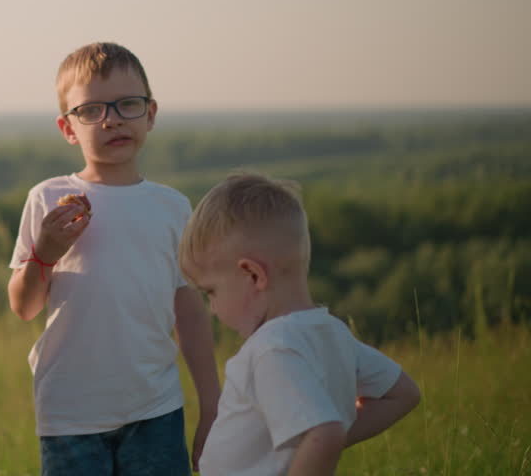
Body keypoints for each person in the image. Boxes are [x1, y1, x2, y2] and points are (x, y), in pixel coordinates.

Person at [7, 41, 221, 475]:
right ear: (68, 128)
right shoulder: (48, 199)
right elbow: (24, 307)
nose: (112, 119)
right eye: (91, 110)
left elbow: (189, 311)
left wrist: (212, 405)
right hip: (71, 413)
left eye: (128, 104)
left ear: (151, 113)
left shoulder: (173, 207)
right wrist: (44, 255)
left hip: (156, 408)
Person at [179, 173, 421, 475]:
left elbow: (326, 432)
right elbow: (403, 394)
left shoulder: (272, 349)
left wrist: (320, 441)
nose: (212, 309)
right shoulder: (331, 332)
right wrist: (308, 445)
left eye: (210, 292)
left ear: (253, 275)